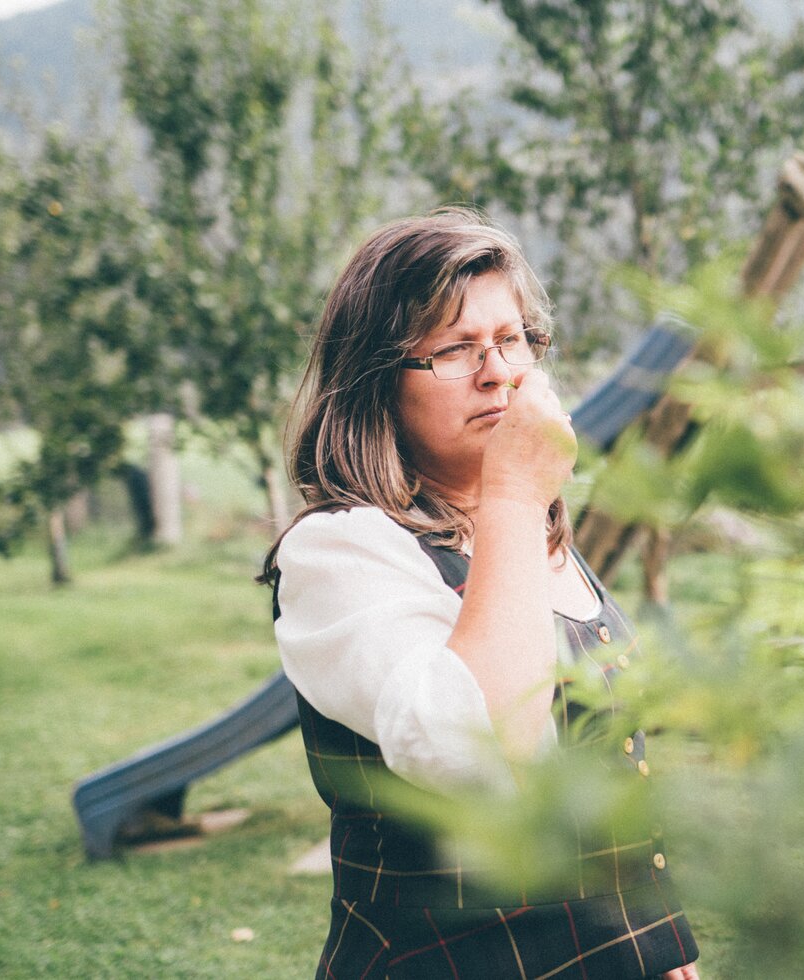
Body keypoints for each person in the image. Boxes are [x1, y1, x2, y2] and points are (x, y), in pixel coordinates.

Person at [261, 207, 701, 979]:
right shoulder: (343, 549)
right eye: (456, 350)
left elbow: (611, 780)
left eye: (511, 340)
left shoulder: (527, 536)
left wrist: (662, 950)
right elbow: (479, 753)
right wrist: (515, 495)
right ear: (377, 383)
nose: (499, 371)